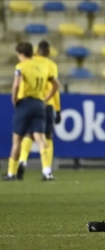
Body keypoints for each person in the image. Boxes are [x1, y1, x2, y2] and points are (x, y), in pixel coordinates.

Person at [2, 42, 60, 181]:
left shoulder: (21, 66)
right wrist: (47, 99)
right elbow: (56, 84)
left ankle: (12, 171)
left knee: (18, 139)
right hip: (41, 104)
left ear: (21, 54)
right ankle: (46, 171)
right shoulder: (44, 66)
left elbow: (16, 84)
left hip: (25, 103)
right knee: (42, 138)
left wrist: (14, 98)